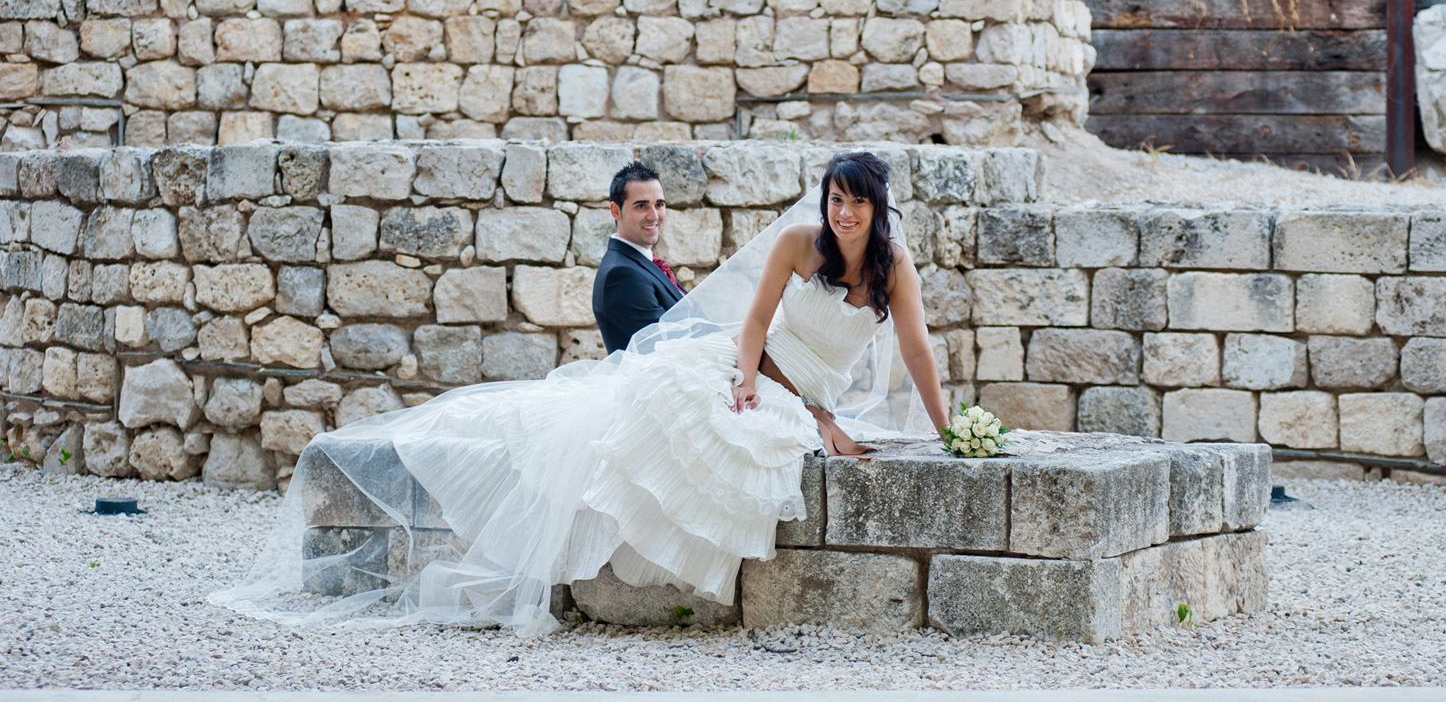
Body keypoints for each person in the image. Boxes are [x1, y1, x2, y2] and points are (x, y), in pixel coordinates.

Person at [211, 151, 950, 636]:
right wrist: (758, 387)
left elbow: (916, 349)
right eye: (834, 200)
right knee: (653, 430)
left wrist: (947, 430)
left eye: (856, 203)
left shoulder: (896, 267)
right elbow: (755, 322)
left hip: (809, 393)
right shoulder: (799, 243)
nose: (842, 213)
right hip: (755, 370)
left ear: (877, 208)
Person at [593, 163, 685, 354]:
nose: (654, 216)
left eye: (659, 205)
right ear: (615, 211)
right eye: (641, 206)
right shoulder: (622, 275)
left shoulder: (642, 263)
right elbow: (668, 349)